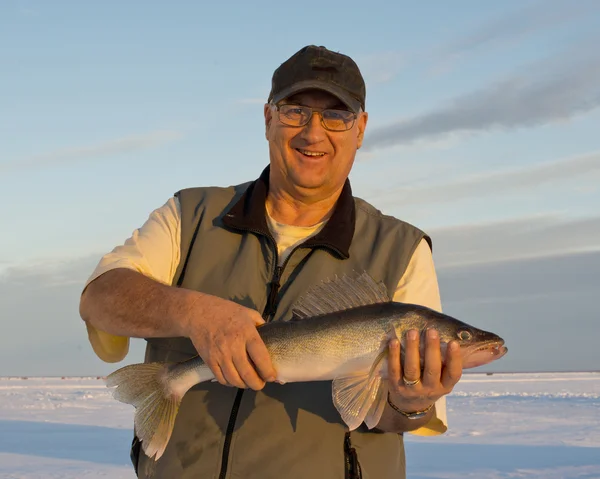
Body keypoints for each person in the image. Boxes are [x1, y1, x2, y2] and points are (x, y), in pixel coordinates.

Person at [79, 45, 463, 479]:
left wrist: (410, 403)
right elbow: (100, 297)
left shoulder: (402, 248)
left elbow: (394, 420)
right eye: (296, 111)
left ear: (361, 129)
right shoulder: (191, 214)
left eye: (337, 116)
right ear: (268, 119)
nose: (313, 134)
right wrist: (193, 313)